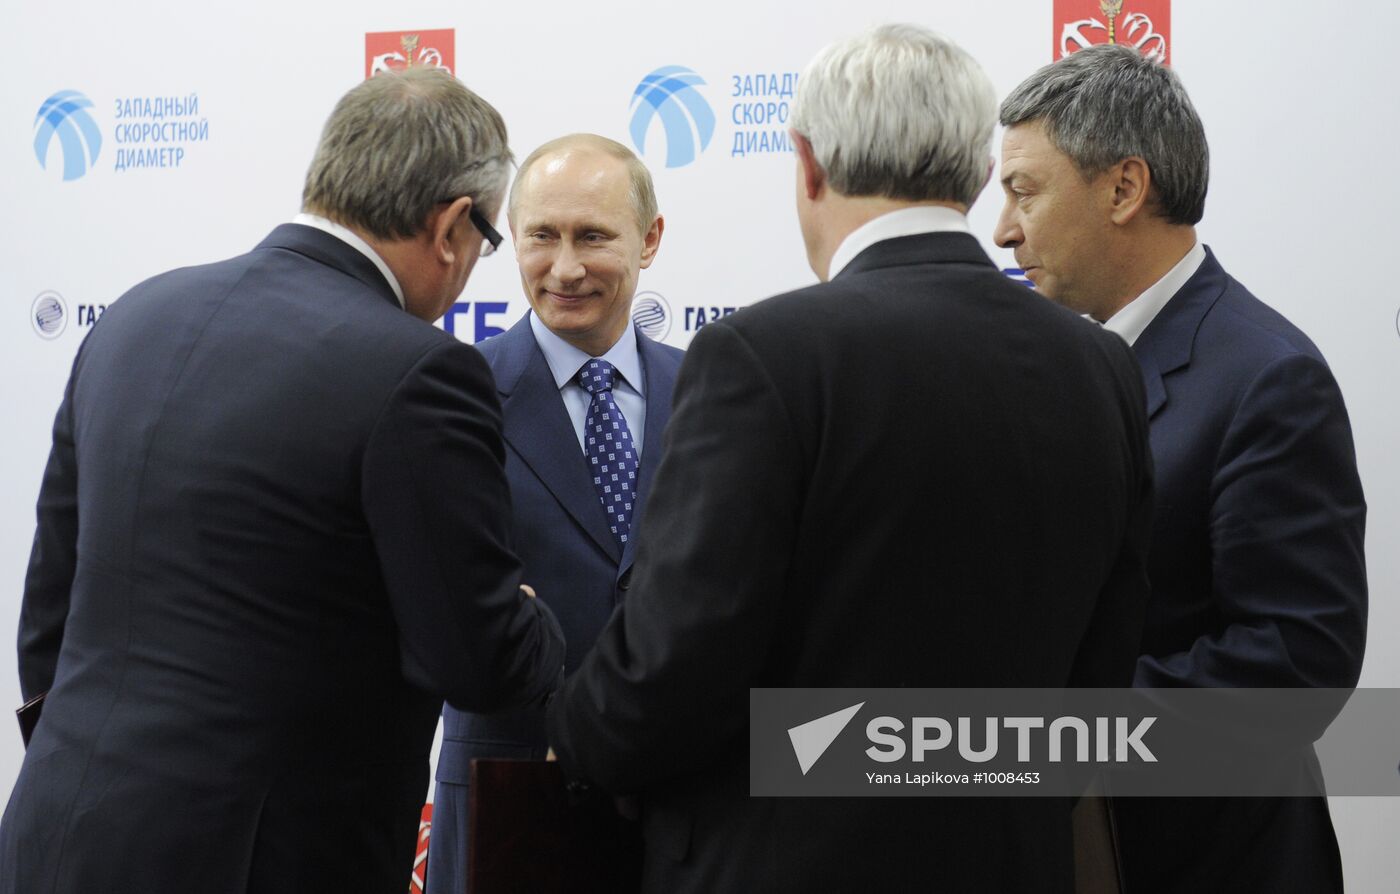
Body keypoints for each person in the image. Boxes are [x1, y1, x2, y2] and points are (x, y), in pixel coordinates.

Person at [546, 24, 1154, 893]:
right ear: (980, 174)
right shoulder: (1102, 365)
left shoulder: (762, 357)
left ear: (808, 165)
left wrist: (569, 733)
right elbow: (1100, 672)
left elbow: (675, 667)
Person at [0, 69, 565, 893]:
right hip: (258, 862)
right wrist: (532, 619)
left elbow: (47, 615)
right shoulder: (419, 371)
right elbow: (478, 661)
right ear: (451, 227)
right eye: (488, 239)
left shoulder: (133, 316)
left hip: (56, 835)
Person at [995, 44, 1367, 893]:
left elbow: (1296, 665)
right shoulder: (1064, 368)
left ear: (1124, 189)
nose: (1004, 230)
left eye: (1024, 191)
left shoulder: (1269, 378)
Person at [427, 133, 683, 893]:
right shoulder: (450, 392)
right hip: (510, 795)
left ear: (649, 240)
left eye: (593, 236)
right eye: (542, 236)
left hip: (682, 800)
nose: (565, 268)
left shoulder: (711, 388)